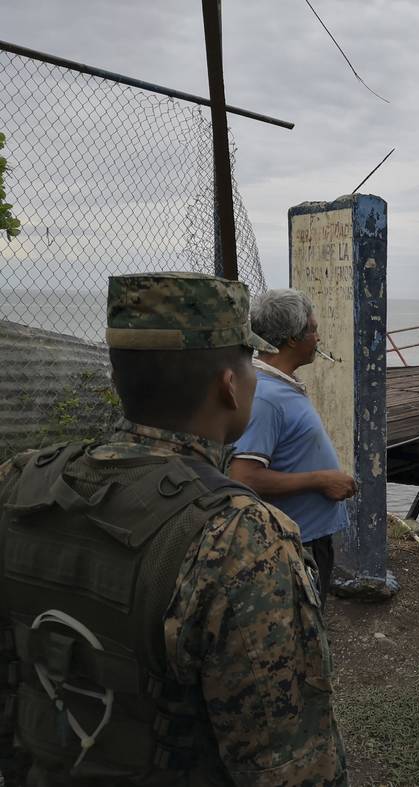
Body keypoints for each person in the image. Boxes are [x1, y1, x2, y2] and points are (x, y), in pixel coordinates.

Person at [0, 272, 348, 785]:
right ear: (230, 387)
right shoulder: (241, 538)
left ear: (118, 380)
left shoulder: (19, 484)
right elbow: (291, 766)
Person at [228, 289, 356, 608]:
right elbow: (244, 478)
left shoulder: (278, 385)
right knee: (300, 634)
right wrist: (321, 480)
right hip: (293, 546)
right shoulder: (267, 398)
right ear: (291, 339)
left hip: (307, 539)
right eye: (312, 329)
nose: (318, 336)